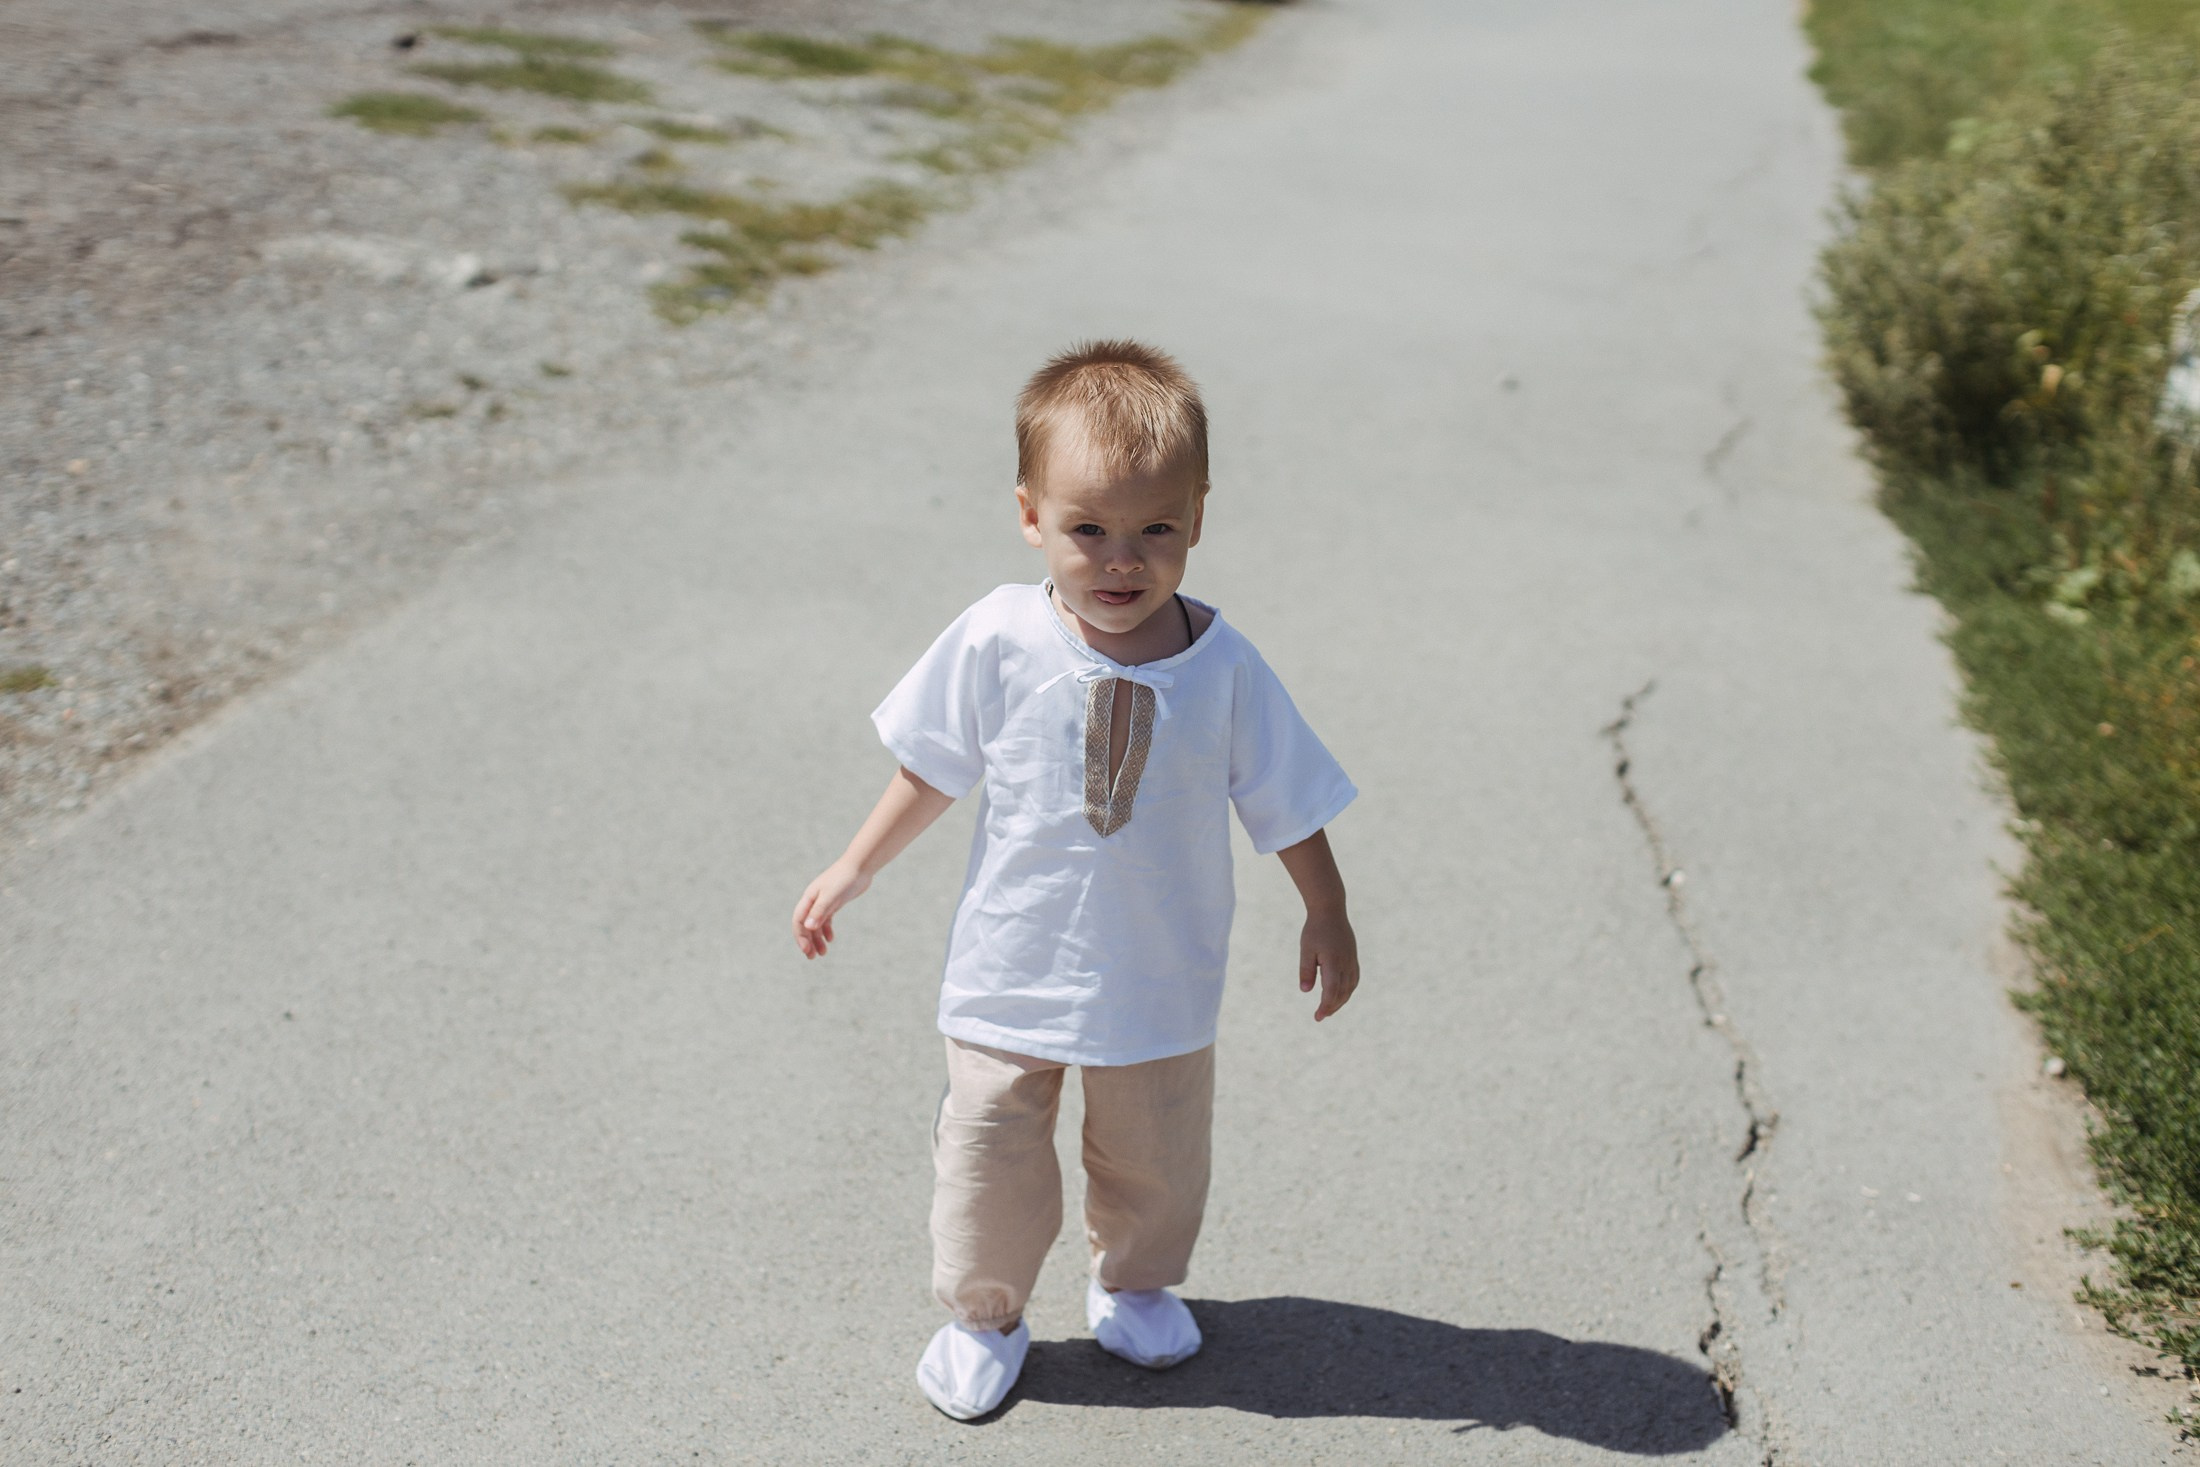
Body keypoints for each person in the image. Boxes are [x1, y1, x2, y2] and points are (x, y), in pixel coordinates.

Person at [791, 339, 1360, 1420]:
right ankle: (985, 1313)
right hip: (1012, 968)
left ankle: (1135, 1286)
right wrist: (854, 864)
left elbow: (1283, 795)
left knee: (1155, 1157)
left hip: (1159, 978)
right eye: (1085, 529)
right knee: (988, 1153)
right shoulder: (999, 636)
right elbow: (933, 764)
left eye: (1153, 530)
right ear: (1029, 516)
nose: (1118, 561)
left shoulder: (1223, 665)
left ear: (1197, 518)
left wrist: (1324, 907)